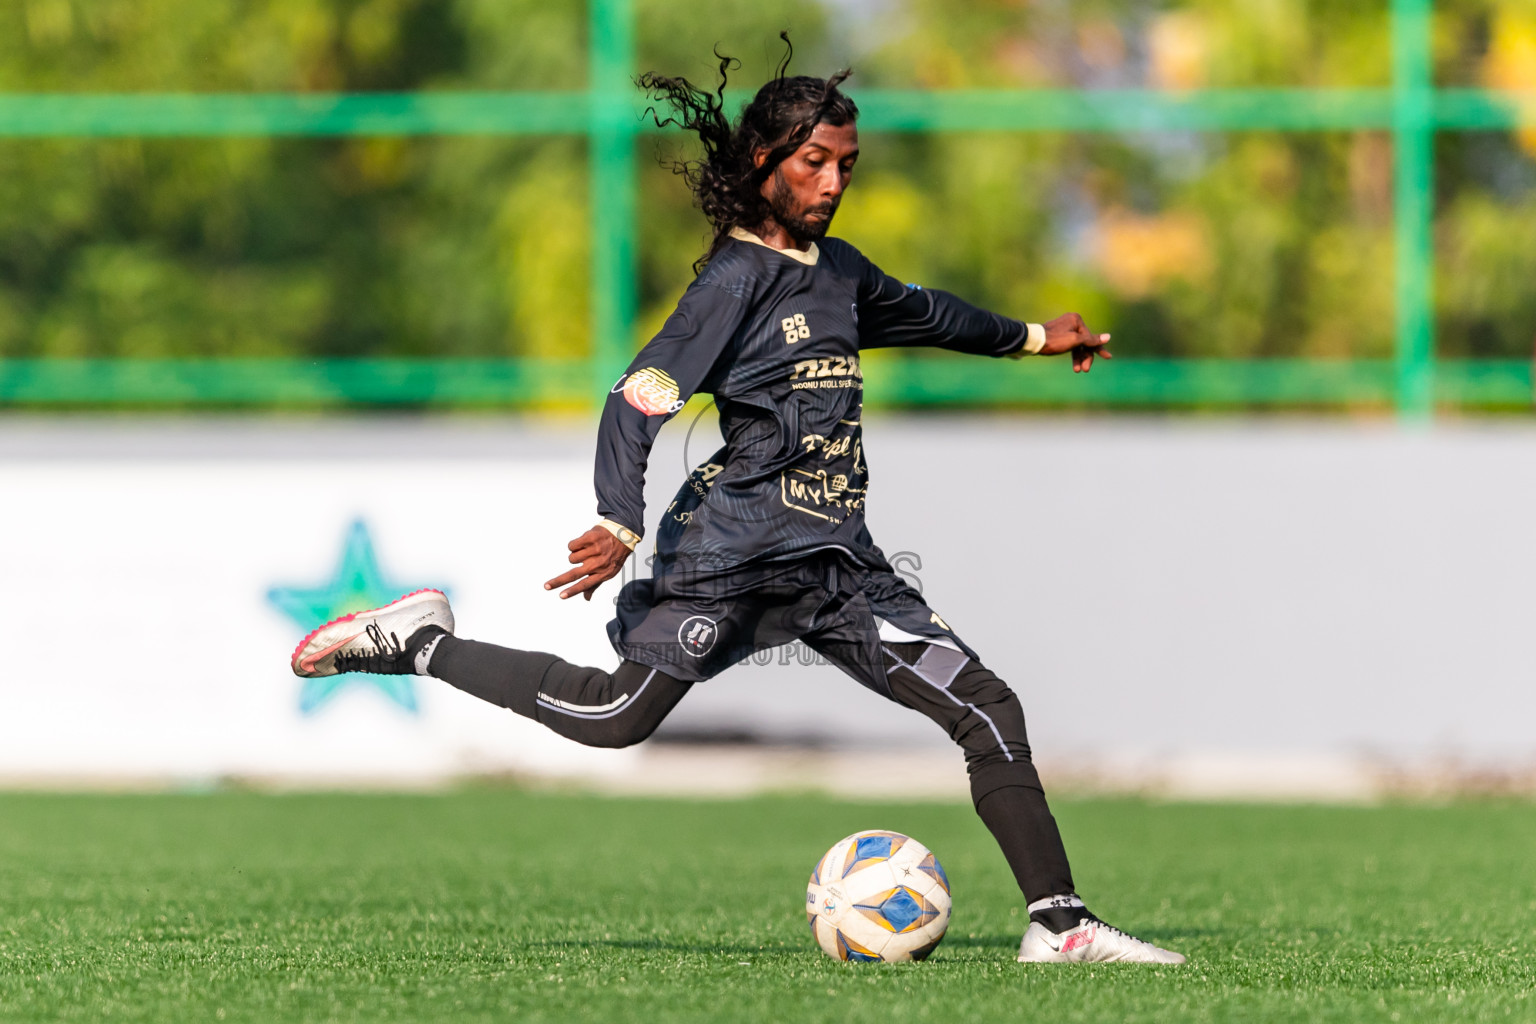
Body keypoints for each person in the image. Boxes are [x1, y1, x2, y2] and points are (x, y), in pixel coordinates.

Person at [290, 48, 1183, 966]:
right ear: (761, 159)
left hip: (838, 571)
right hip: (733, 557)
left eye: (846, 164)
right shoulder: (732, 286)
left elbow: (928, 314)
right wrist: (616, 519)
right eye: (813, 162)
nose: (833, 181)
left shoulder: (835, 271)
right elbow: (636, 395)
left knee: (987, 708)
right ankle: (422, 641)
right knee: (615, 718)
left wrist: (1036, 337)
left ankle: (1061, 924)